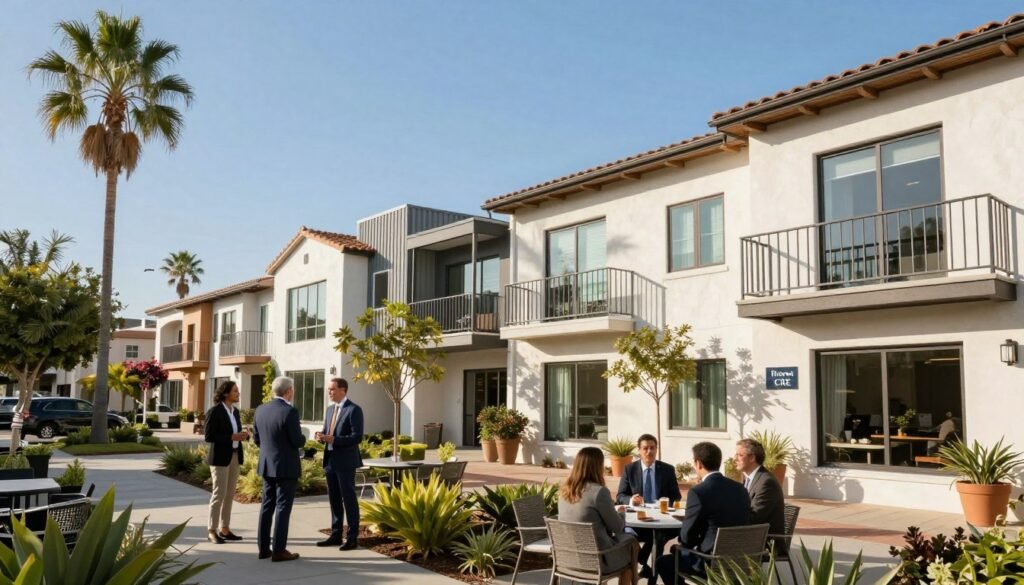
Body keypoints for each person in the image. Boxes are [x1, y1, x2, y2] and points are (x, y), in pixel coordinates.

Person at [653, 442, 750, 584]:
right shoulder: (740, 489)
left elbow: (687, 537)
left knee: (663, 562)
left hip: (710, 563)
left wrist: (681, 546)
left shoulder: (699, 492)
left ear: (698, 463)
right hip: (740, 562)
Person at [559, 447, 639, 585]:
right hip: (596, 560)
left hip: (568, 558)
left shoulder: (564, 492)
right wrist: (620, 513)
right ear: (597, 466)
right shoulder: (599, 492)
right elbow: (618, 527)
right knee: (631, 546)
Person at [253, 376, 306, 562]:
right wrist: (304, 439)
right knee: (283, 507)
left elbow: (257, 439)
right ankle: (279, 550)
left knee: (267, 506)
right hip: (286, 466)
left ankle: (263, 548)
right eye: (293, 390)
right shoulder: (289, 412)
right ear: (288, 391)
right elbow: (297, 440)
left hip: (267, 465)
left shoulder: (260, 410)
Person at [616, 434, 681, 578]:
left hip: (661, 519)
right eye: (645, 448)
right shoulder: (630, 469)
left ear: (657, 449)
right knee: (648, 537)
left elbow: (676, 496)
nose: (649, 452)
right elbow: (620, 496)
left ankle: (644, 565)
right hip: (639, 520)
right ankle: (649, 570)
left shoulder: (667, 470)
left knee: (658, 536)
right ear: (639, 450)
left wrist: (663, 502)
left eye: (652, 448)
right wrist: (631, 500)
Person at [314, 378, 364, 551]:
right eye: (328, 389)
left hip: (346, 461)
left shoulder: (354, 410)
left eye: (332, 389)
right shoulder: (329, 410)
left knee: (348, 499)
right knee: (334, 499)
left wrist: (334, 439)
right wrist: (322, 436)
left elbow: (357, 437)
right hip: (330, 461)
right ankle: (336, 534)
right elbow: (329, 432)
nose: (329, 392)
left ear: (343, 390)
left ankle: (352, 537)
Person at [204, 380, 249, 544]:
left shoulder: (235, 412)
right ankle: (211, 530)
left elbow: (235, 432)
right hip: (220, 459)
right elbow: (209, 436)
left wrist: (243, 435)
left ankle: (225, 528)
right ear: (225, 393)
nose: (238, 393)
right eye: (235, 391)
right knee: (219, 494)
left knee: (230, 495)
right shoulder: (214, 412)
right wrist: (231, 437)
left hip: (235, 455)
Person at [733, 439, 785, 551]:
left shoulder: (766, 482)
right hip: (752, 535)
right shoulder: (748, 478)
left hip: (766, 542)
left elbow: (754, 517)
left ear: (752, 458)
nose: (735, 459)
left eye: (740, 455)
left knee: (714, 544)